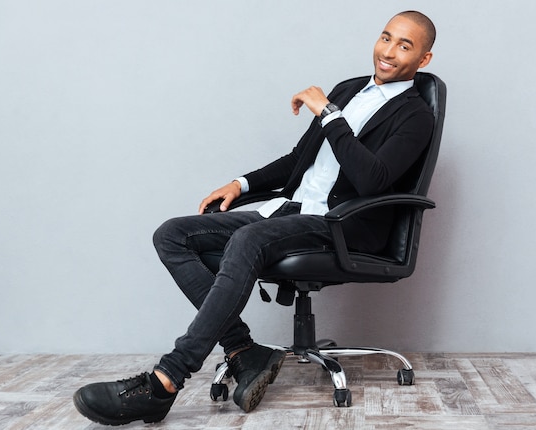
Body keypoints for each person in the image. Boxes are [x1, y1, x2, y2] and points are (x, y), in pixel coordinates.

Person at [73, 10, 436, 426]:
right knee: (173, 235)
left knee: (249, 241)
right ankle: (244, 350)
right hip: (287, 212)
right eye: (386, 38)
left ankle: (164, 382)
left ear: (423, 59)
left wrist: (330, 115)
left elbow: (372, 180)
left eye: (404, 46)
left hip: (339, 225)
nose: (388, 52)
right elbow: (300, 160)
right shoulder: (349, 89)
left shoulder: (415, 115)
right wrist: (241, 184)